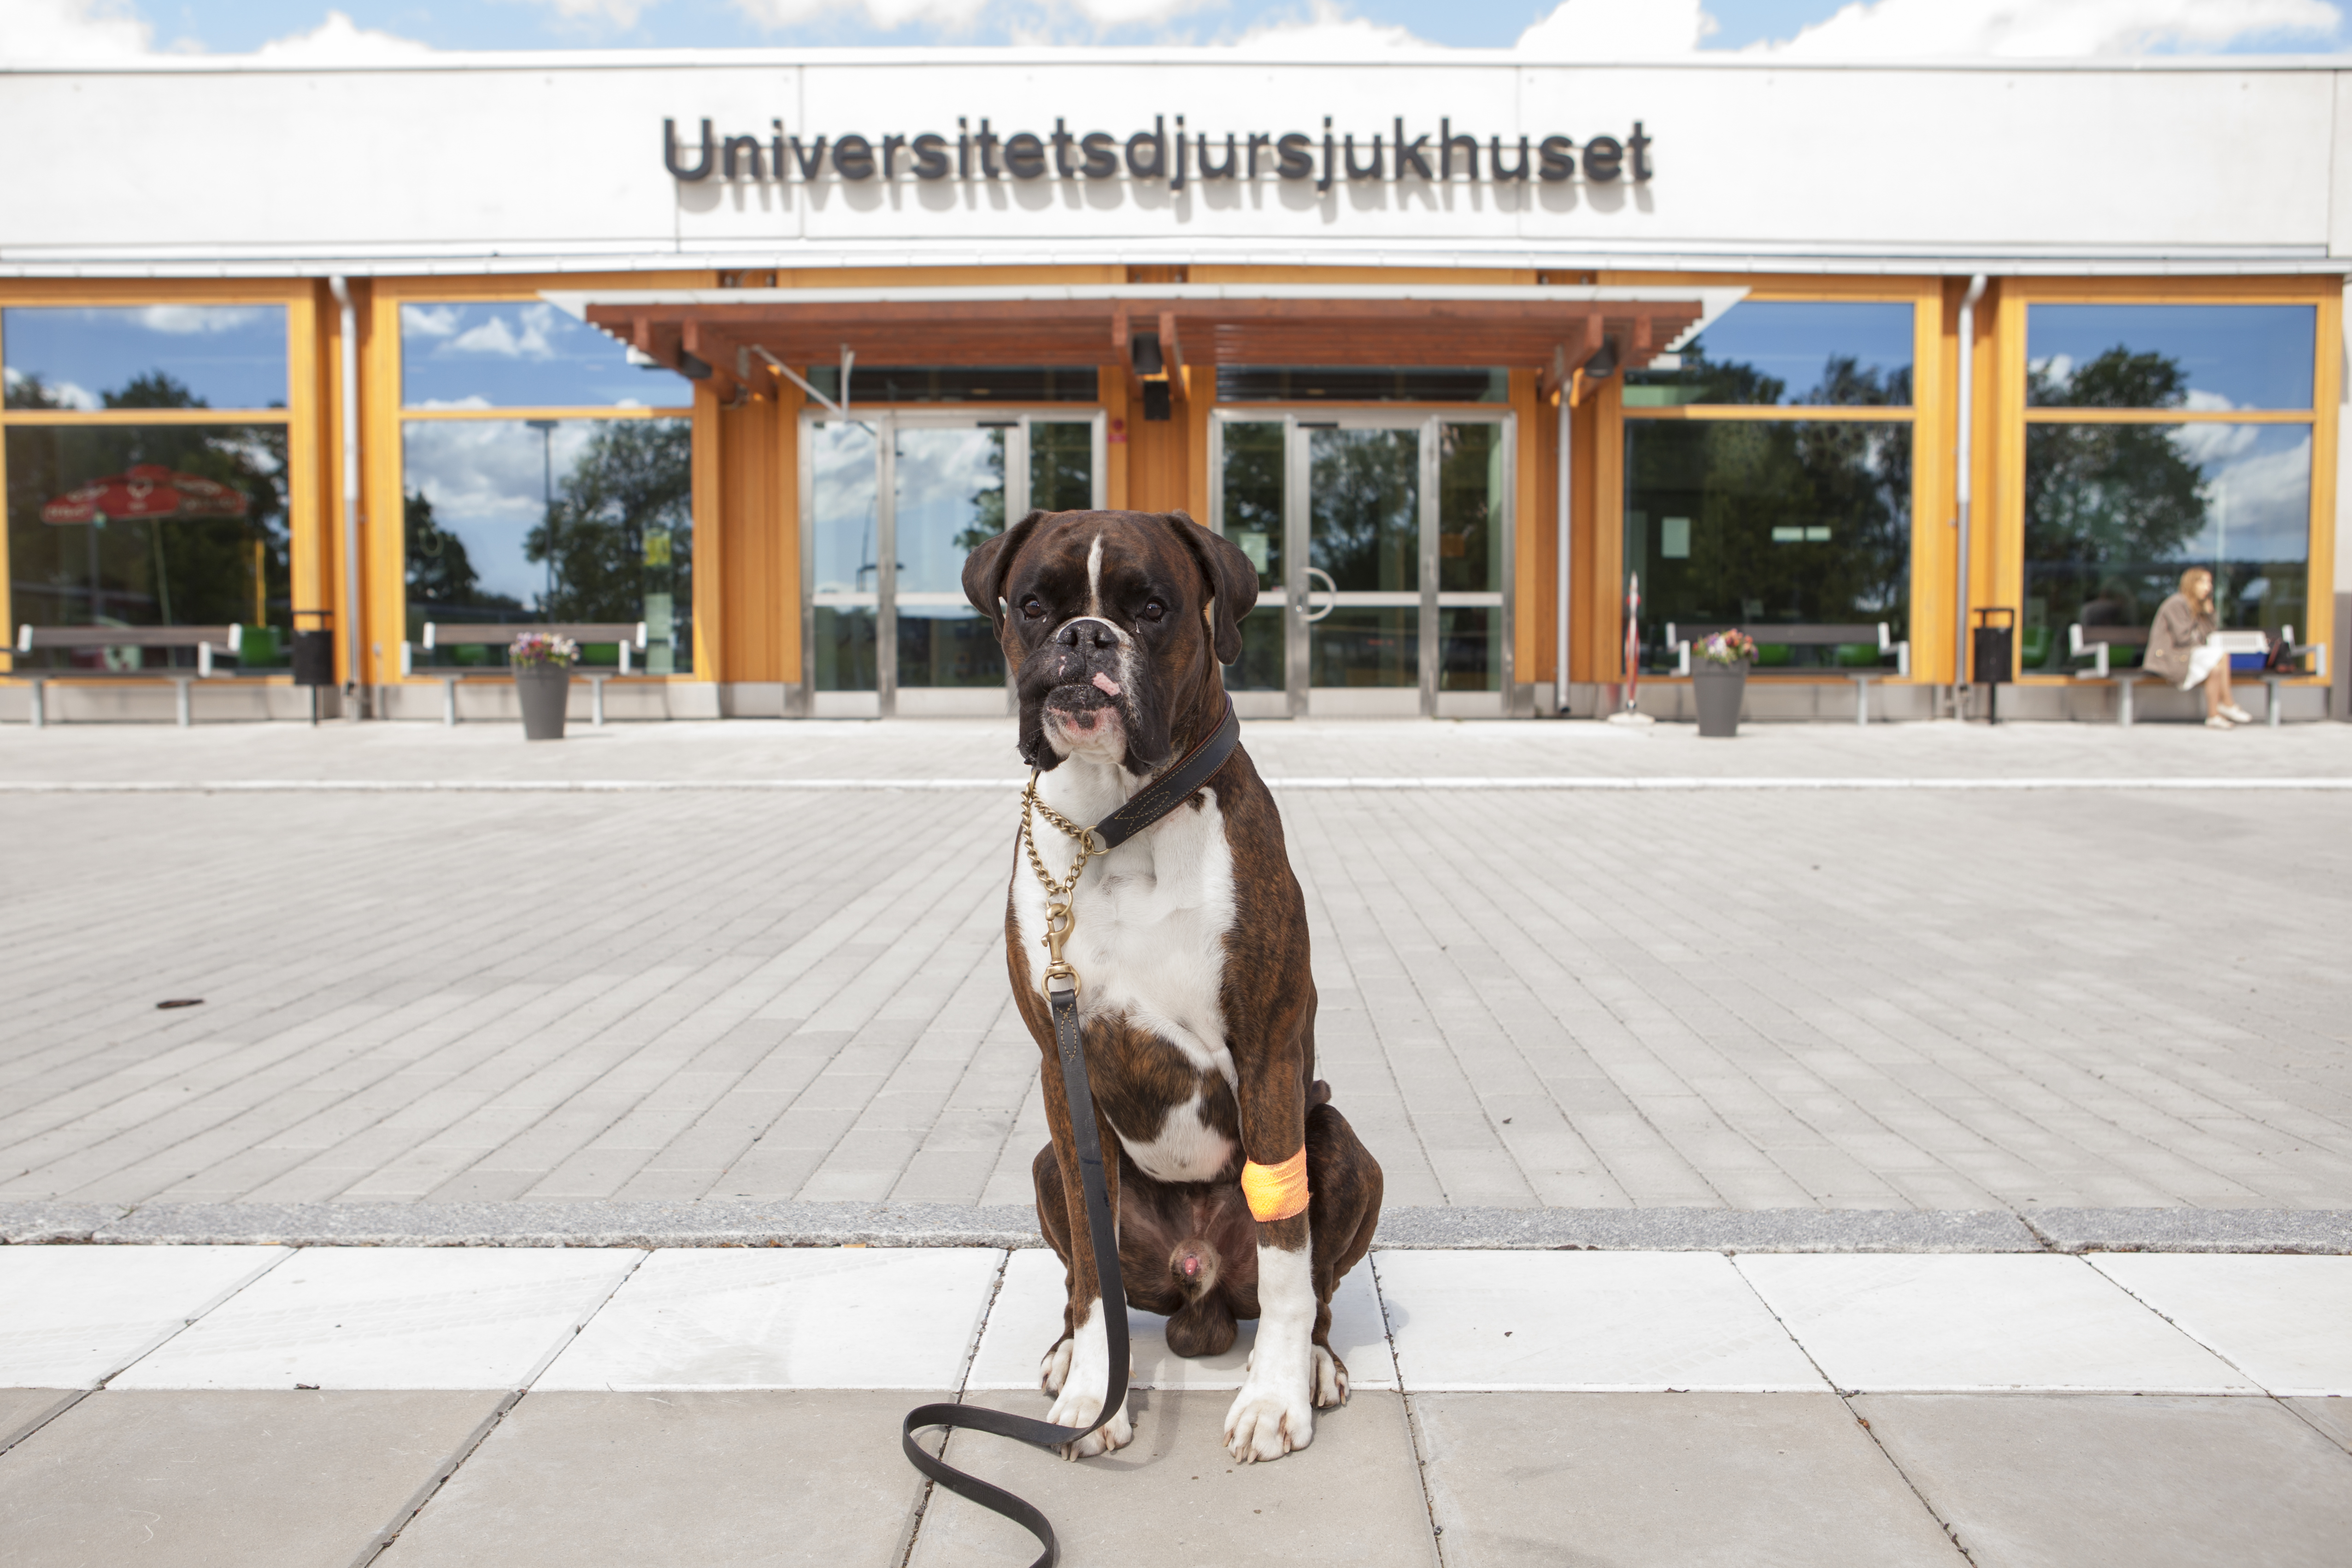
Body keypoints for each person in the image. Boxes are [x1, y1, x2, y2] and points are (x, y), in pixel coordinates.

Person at [2145, 567, 2253, 728]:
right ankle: (2227, 704)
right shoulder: (2178, 603)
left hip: (2186, 655)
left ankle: (2213, 716)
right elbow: (2183, 639)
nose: (2208, 587)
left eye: (2209, 582)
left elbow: (2207, 635)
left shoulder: (2196, 606)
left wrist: (2208, 613)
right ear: (2191, 583)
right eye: (2203, 582)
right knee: (2222, 656)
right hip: (2169, 658)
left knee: (2215, 669)